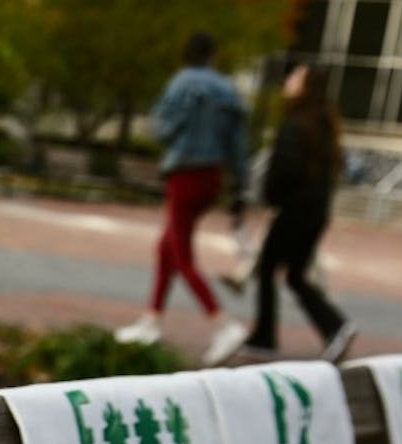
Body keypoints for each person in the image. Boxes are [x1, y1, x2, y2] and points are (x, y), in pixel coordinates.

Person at [116, 31, 249, 361]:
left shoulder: (182, 84)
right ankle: (152, 320)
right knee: (166, 247)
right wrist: (241, 186)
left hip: (185, 171)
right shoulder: (228, 90)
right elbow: (238, 145)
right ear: (213, 55)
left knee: (181, 254)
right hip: (213, 175)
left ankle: (222, 323)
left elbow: (162, 128)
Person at [218, 61, 356, 365]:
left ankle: (270, 336)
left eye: (296, 76)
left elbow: (284, 170)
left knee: (269, 268)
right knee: (293, 274)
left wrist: (271, 196)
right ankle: (332, 327)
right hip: (316, 211)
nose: (289, 80)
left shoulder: (296, 124)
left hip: (294, 210)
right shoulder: (325, 124)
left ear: (306, 86)